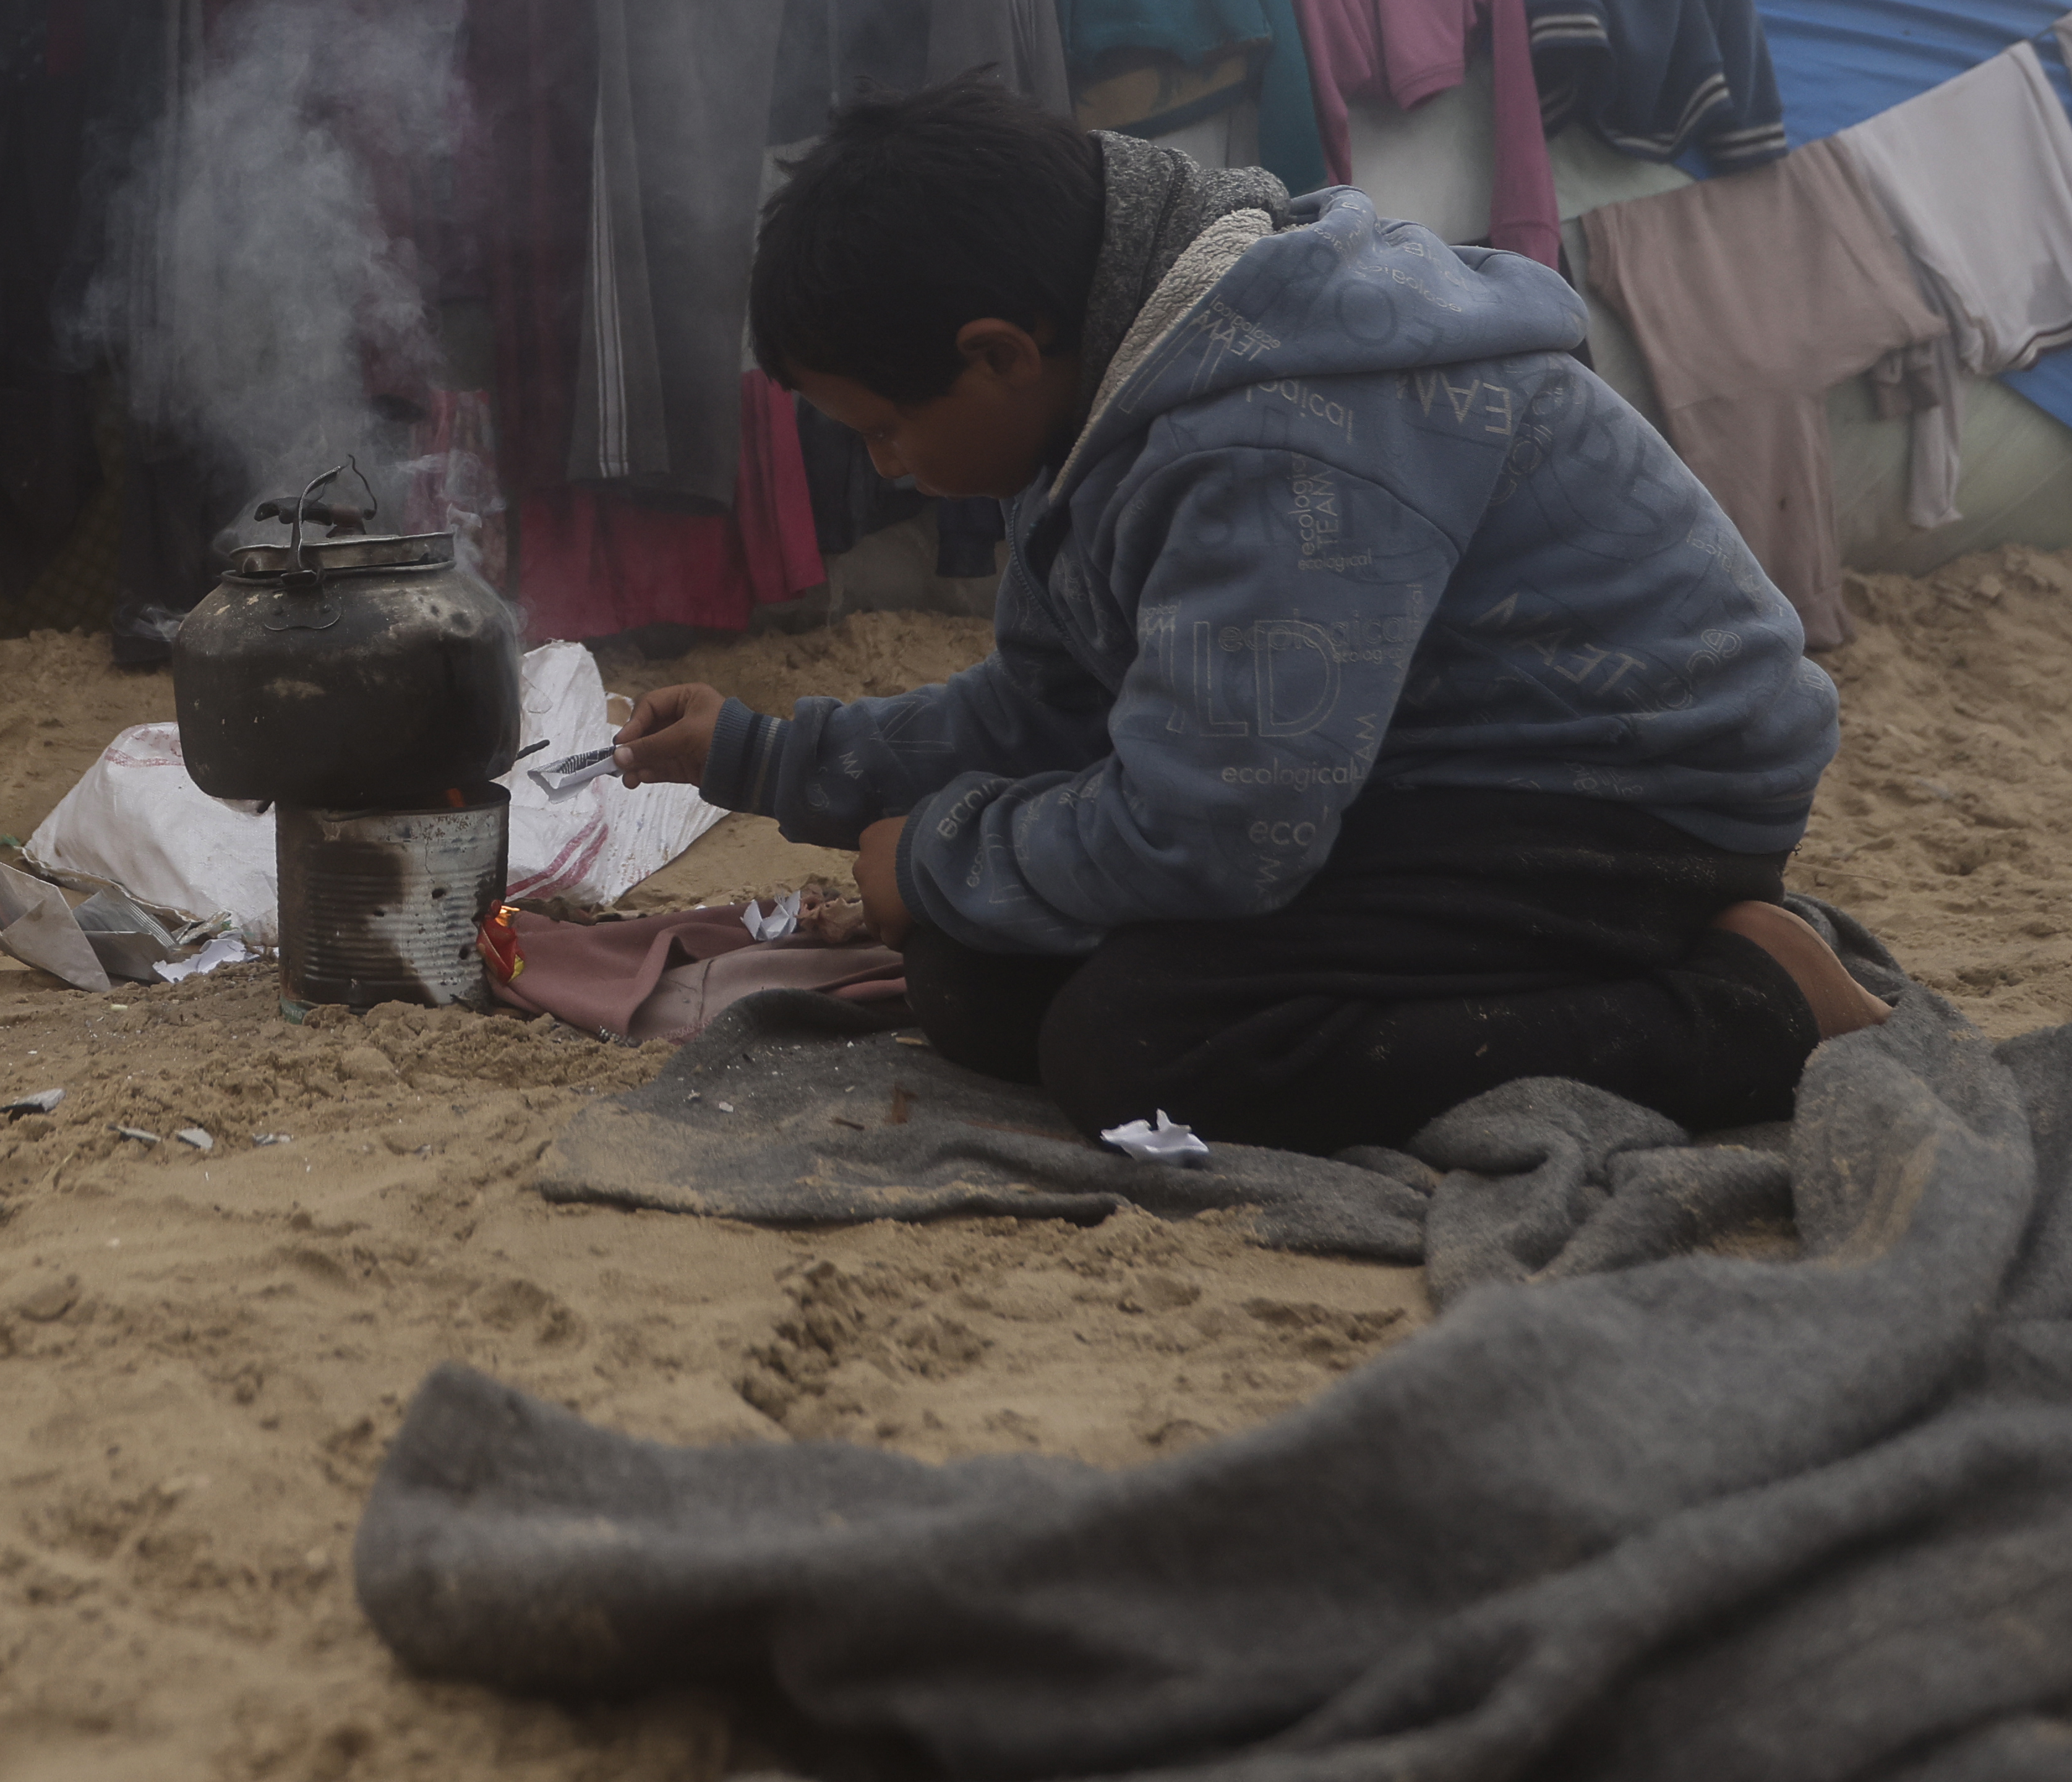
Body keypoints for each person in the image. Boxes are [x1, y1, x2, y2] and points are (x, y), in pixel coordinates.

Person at [615, 75, 1883, 1154]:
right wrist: (765, 756)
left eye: (885, 430)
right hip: (1384, 774)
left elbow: (1215, 835)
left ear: (999, 352)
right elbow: (1050, 710)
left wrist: (941, 848)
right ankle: (1629, 972)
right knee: (977, 980)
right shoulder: (1107, 397)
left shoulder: (1270, 438)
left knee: (1145, 1047)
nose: (887, 466)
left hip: (1618, 795)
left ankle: (1750, 1007)